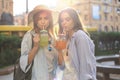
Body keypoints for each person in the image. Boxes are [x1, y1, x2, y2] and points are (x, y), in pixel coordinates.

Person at [20, 5, 64, 80]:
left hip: (51, 77)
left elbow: (61, 64)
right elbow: (24, 62)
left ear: (50, 20)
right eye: (39, 18)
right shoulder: (29, 36)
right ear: (35, 20)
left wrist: (60, 50)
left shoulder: (53, 37)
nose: (43, 21)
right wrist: (35, 47)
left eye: (46, 18)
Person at [58, 7, 97, 80]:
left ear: (75, 20)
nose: (64, 22)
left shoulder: (80, 36)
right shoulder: (65, 40)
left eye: (67, 19)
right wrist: (60, 50)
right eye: (61, 20)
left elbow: (86, 69)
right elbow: (62, 67)